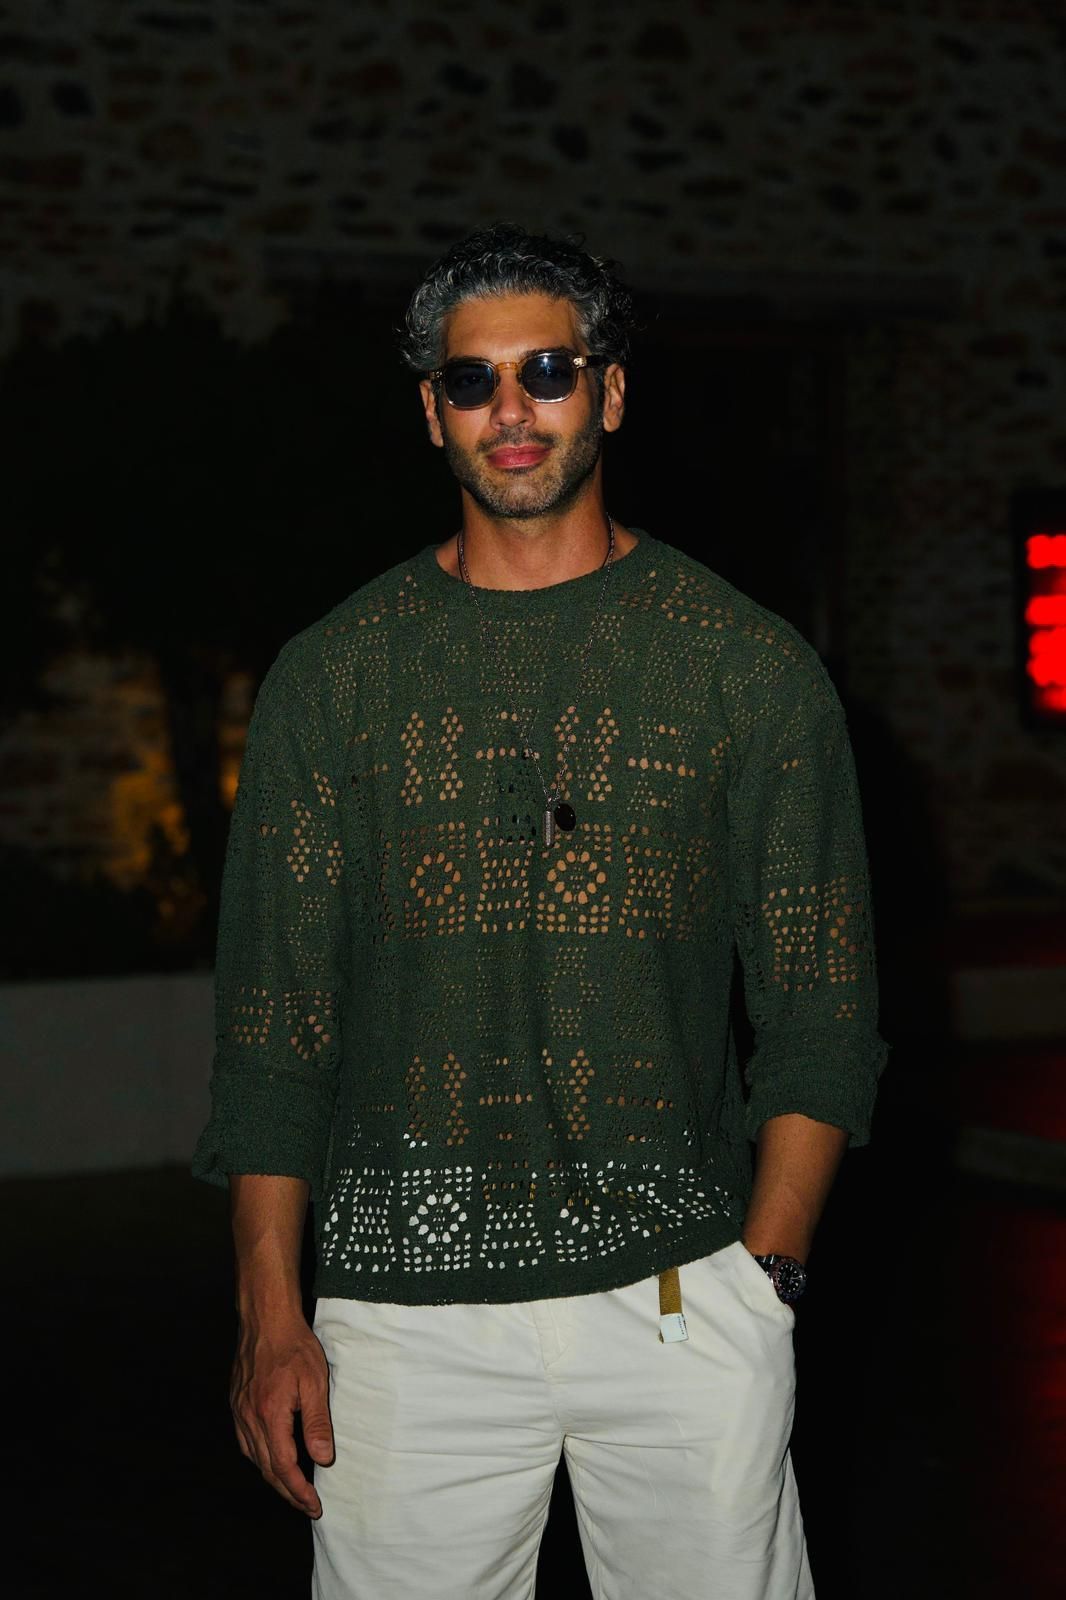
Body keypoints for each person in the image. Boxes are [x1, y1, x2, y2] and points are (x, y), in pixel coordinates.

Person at [193, 221, 890, 1600]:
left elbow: (821, 1007)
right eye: (473, 380)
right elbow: (275, 1031)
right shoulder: (335, 680)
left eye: (548, 371)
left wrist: (766, 1278)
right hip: (403, 1318)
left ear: (609, 392)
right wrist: (272, 1317)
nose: (511, 409)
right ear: (431, 414)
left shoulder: (745, 669)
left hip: (685, 1301)